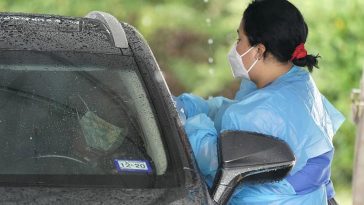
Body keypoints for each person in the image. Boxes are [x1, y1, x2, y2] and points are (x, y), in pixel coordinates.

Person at [174, 0, 345, 204]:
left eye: (239, 40)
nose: (235, 48)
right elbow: (229, 108)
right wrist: (193, 105)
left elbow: (208, 157)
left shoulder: (261, 112)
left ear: (259, 51)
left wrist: (182, 118)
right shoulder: (297, 84)